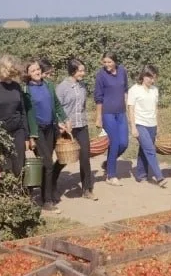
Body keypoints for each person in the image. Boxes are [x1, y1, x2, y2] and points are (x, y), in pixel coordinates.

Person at [22, 59, 70, 213]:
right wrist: (29, 136)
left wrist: (65, 119)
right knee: (48, 165)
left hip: (51, 128)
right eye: (32, 71)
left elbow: (56, 104)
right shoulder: (26, 90)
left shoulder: (48, 85)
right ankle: (47, 200)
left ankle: (44, 193)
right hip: (38, 132)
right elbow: (25, 114)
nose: (36, 72)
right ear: (28, 74)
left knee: (46, 165)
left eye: (37, 69)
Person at [0, 55, 31, 177]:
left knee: (19, 164)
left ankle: (20, 192)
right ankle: (5, 193)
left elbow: (22, 111)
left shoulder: (16, 87)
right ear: (1, 68)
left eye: (11, 72)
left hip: (17, 131)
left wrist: (27, 137)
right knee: (3, 166)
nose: (9, 75)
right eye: (7, 71)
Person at [53, 58, 95, 199]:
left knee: (85, 157)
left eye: (83, 70)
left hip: (82, 125)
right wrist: (62, 124)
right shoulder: (62, 87)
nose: (83, 73)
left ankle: (87, 189)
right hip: (67, 128)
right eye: (80, 70)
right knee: (64, 158)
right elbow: (56, 108)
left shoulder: (82, 86)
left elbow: (82, 107)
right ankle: (51, 182)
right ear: (73, 71)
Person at [127, 64, 167, 188]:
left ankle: (141, 175)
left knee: (144, 149)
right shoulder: (134, 89)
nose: (152, 80)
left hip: (152, 124)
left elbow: (155, 108)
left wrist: (158, 124)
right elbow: (130, 109)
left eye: (154, 78)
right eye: (150, 78)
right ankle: (159, 176)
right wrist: (133, 126)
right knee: (150, 149)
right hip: (140, 124)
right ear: (144, 76)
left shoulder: (155, 90)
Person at [94, 51, 129, 186]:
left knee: (124, 143)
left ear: (115, 61)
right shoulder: (101, 75)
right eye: (105, 62)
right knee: (114, 142)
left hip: (121, 113)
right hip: (107, 113)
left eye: (109, 62)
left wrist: (127, 108)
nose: (107, 64)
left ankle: (109, 163)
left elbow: (125, 90)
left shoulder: (122, 72)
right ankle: (111, 175)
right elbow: (98, 98)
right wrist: (99, 117)